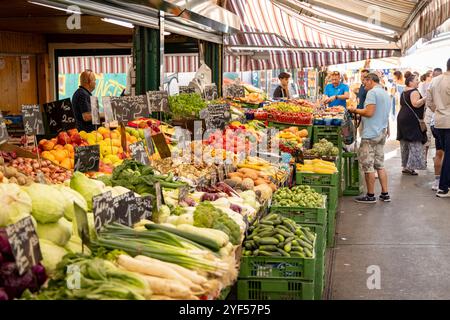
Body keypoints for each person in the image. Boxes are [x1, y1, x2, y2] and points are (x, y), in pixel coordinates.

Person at [347, 73, 391, 203]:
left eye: (364, 81)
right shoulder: (384, 93)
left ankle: (370, 195)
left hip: (371, 134)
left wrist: (354, 110)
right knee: (380, 164)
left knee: (368, 165)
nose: (363, 84)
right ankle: (385, 193)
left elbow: (369, 112)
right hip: (381, 132)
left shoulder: (372, 93)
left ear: (371, 81)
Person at [427, 58, 450, 197]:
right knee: (448, 155)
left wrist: (439, 110)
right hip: (448, 122)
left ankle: (444, 185)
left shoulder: (435, 80)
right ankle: (444, 187)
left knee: (444, 152)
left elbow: (429, 102)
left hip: (439, 121)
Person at [397, 73, 428, 175]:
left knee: (405, 143)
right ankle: (411, 168)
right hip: (411, 120)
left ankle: (406, 166)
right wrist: (425, 98)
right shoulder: (414, 91)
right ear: (410, 82)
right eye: (416, 80)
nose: (418, 81)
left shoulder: (404, 92)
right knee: (414, 142)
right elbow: (415, 104)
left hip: (402, 118)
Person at [426, 68, 443, 190]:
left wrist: (438, 110)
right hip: (445, 122)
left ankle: (437, 181)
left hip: (436, 121)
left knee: (439, 152)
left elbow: (429, 103)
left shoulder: (432, 84)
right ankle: (441, 181)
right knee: (443, 153)